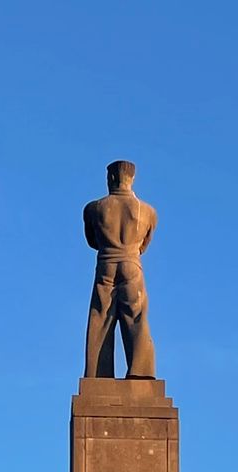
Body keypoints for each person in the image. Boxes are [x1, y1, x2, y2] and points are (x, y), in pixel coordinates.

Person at [83, 160, 157, 379]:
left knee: (100, 317)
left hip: (106, 263)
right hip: (132, 264)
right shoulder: (148, 212)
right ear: (131, 179)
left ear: (112, 178)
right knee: (136, 317)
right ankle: (141, 372)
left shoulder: (94, 208)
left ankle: (98, 374)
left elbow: (92, 240)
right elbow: (144, 245)